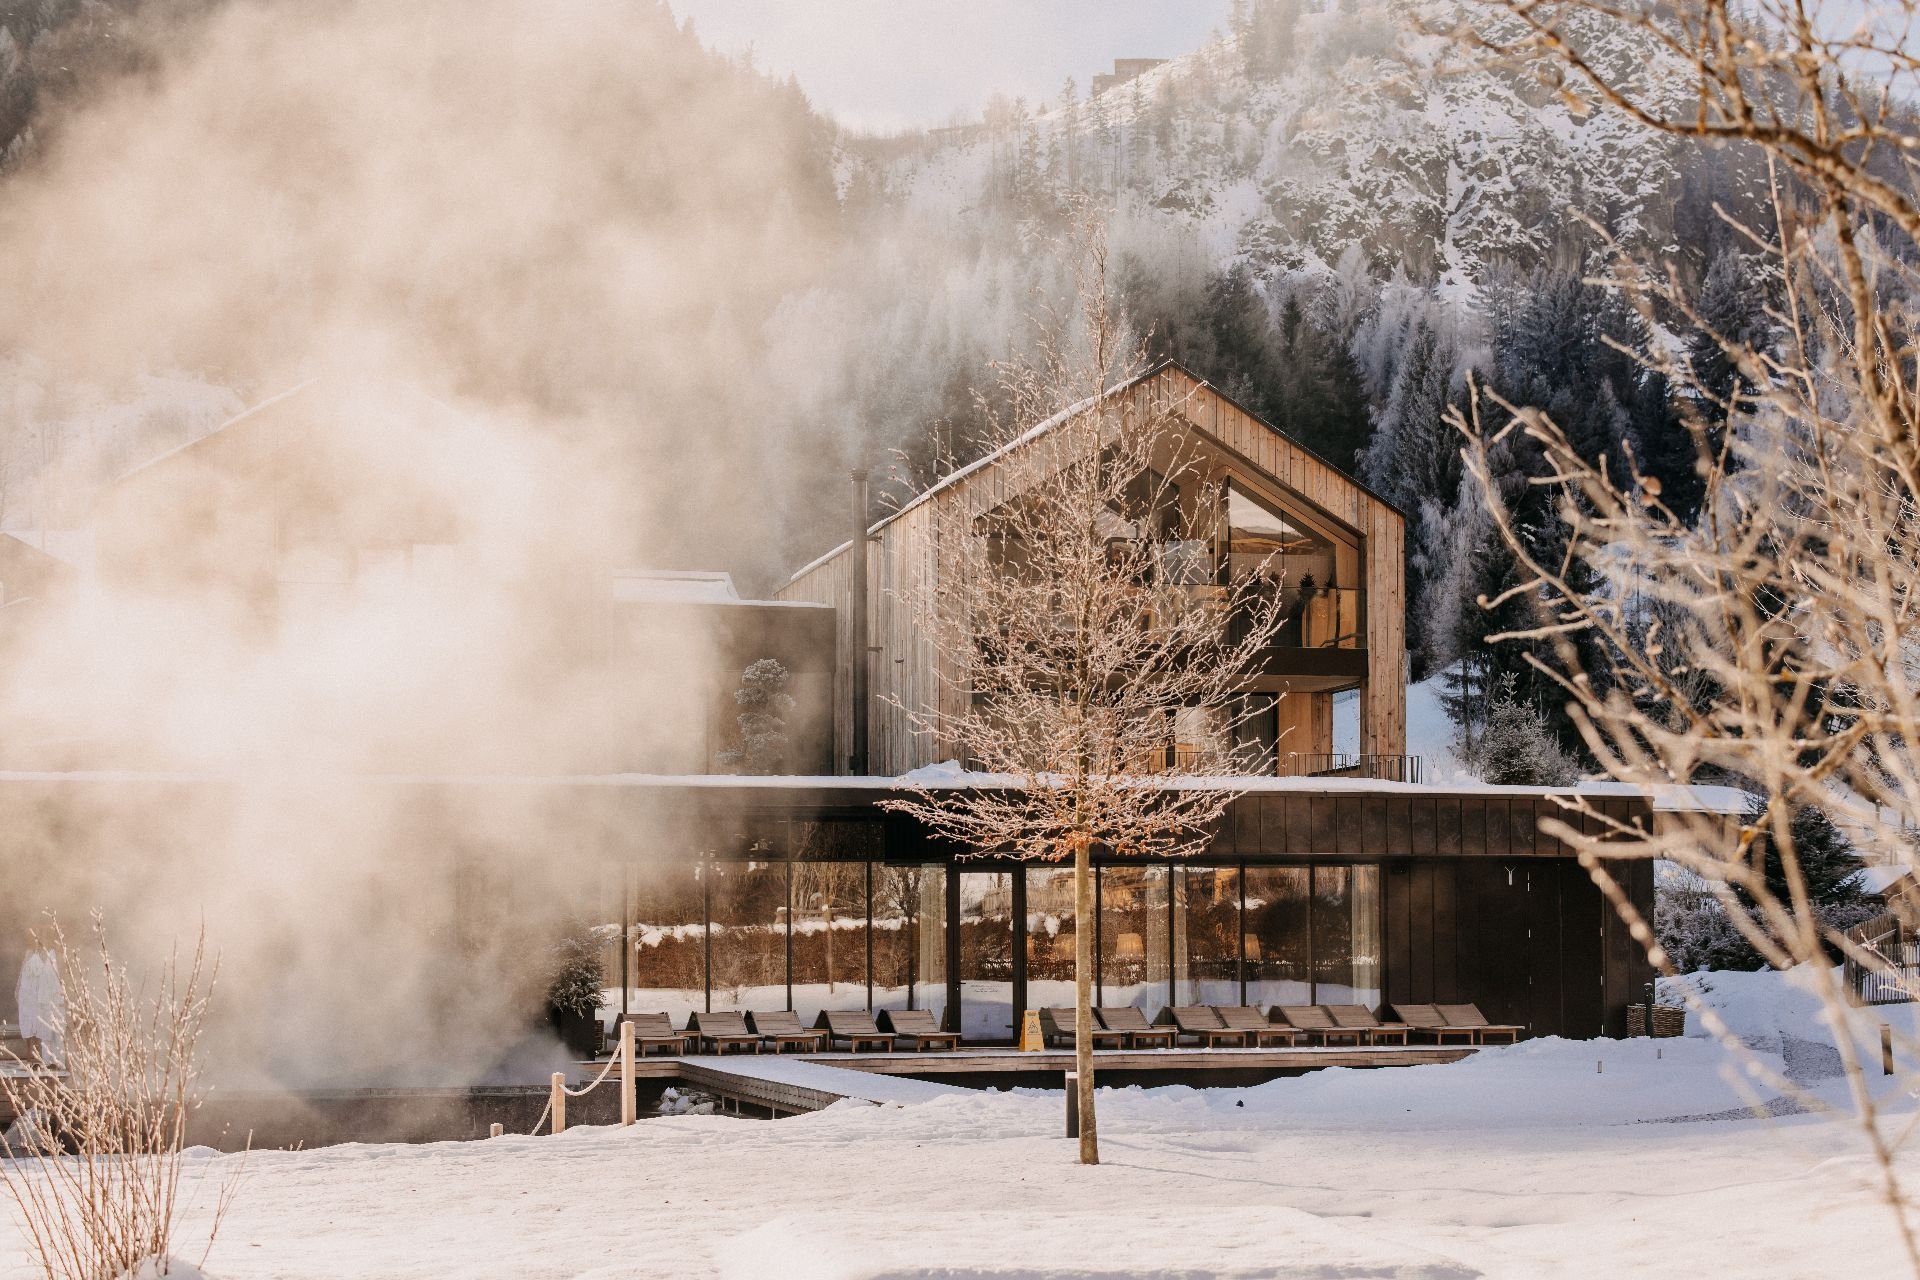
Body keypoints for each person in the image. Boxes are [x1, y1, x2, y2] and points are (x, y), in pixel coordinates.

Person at [15, 943, 63, 1066]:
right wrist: (20, 990)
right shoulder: (30, 953)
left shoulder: (50, 954)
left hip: (40, 994)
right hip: (28, 993)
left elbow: (52, 977)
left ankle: (40, 1055)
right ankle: (30, 1054)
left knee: (40, 1023)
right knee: (28, 1023)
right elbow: (23, 974)